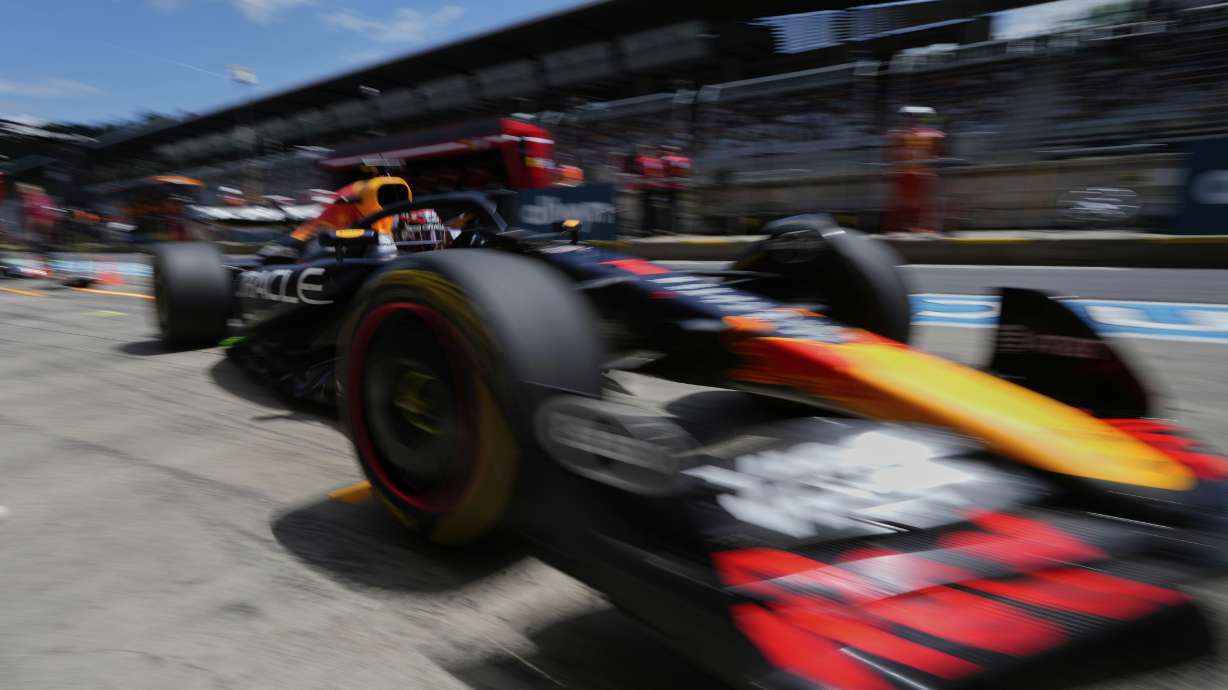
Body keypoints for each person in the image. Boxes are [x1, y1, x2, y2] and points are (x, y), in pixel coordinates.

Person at [258, 174, 410, 262]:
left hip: (357, 232)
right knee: (302, 244)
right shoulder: (343, 203)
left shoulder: (388, 210)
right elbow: (310, 233)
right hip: (327, 234)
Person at [885, 106, 945, 234]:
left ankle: (918, 227)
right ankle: (901, 227)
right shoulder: (902, 135)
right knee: (908, 202)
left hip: (920, 173)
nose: (914, 122)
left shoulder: (927, 134)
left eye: (915, 119)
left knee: (920, 203)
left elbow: (937, 147)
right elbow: (894, 150)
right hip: (908, 173)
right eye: (911, 118)